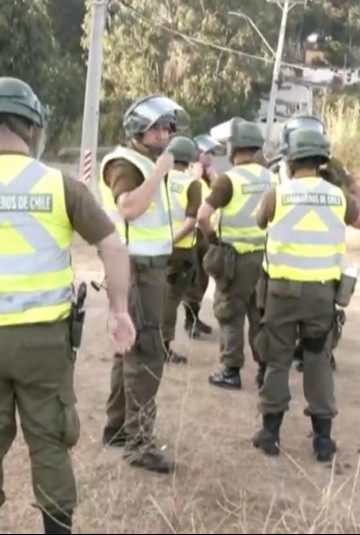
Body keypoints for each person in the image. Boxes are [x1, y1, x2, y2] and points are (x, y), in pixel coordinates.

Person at [0, 77, 136, 534]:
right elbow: (114, 248)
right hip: (43, 342)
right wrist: (119, 312)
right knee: (50, 441)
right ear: (34, 130)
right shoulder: (61, 186)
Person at [253, 128, 360, 461]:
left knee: (277, 360)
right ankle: (322, 440)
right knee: (318, 360)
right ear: (321, 161)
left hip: (282, 292)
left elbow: (261, 222)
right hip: (321, 294)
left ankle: (270, 433)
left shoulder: (279, 194)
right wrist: (351, 187)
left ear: (290, 160)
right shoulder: (337, 197)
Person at [98, 93, 188, 474]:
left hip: (146, 267)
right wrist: (160, 170)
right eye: (158, 127)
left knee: (129, 348)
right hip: (135, 268)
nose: (165, 134)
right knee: (147, 351)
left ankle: (118, 427)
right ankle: (139, 442)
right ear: (138, 128)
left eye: (168, 127)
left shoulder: (144, 161)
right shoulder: (125, 163)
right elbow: (130, 207)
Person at [268, 115, 360, 375]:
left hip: (284, 263)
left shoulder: (283, 168)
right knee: (319, 314)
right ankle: (318, 356)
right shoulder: (330, 166)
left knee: (280, 328)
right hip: (321, 266)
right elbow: (358, 202)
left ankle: (294, 359)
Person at [197, 118, 273, 390]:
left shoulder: (228, 180)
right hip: (265, 260)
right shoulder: (271, 178)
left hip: (235, 260)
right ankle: (265, 370)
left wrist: (213, 239)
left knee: (230, 313)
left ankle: (231, 371)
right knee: (260, 315)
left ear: (233, 147)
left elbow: (202, 216)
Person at [159, 135, 204, 364]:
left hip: (158, 247)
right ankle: (163, 346)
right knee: (171, 299)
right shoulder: (191, 184)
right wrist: (172, 240)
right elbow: (191, 221)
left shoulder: (160, 178)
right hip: (180, 250)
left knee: (158, 297)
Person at [181, 134, 219, 338]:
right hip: (191, 232)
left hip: (205, 232)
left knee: (203, 279)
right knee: (192, 281)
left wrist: (214, 182)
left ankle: (194, 318)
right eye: (207, 153)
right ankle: (190, 322)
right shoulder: (187, 174)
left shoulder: (209, 177)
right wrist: (195, 178)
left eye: (212, 153)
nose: (210, 157)